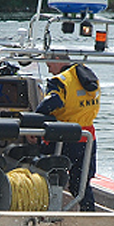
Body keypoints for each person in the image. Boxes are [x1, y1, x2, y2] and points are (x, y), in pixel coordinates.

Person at [35, 57, 101, 211]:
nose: (50, 69)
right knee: (81, 182)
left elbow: (52, 103)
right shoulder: (89, 77)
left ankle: (45, 210)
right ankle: (89, 214)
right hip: (87, 138)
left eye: (49, 65)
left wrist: (35, 118)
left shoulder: (59, 81)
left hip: (64, 138)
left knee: (47, 173)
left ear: (58, 60)